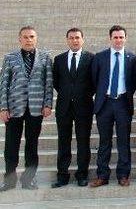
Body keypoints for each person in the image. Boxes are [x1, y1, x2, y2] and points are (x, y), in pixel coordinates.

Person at [0, 26, 53, 192]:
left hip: (36, 108)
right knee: (11, 147)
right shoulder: (9, 58)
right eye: (25, 37)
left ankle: (28, 180)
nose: (28, 40)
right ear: (19, 39)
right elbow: (4, 84)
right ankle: (9, 181)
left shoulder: (45, 58)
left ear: (36, 39)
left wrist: (48, 104)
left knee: (32, 146)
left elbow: (48, 83)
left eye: (31, 37)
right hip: (14, 108)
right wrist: (3, 107)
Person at [90, 25, 136, 188]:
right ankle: (102, 175)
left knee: (123, 141)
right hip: (104, 103)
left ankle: (123, 175)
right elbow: (95, 80)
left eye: (121, 37)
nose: (118, 40)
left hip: (122, 103)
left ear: (125, 38)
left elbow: (134, 81)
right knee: (104, 141)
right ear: (110, 38)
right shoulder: (100, 57)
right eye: (115, 37)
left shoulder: (132, 58)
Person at [51, 28, 95, 188]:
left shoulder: (91, 58)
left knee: (83, 142)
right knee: (64, 142)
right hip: (63, 107)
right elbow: (56, 82)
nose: (74, 40)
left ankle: (82, 175)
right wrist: (68, 94)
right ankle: (62, 175)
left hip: (84, 106)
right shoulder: (59, 59)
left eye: (77, 38)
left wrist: (82, 95)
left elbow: (94, 81)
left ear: (82, 39)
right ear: (67, 40)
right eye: (71, 38)